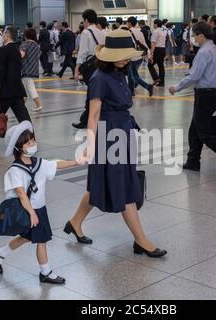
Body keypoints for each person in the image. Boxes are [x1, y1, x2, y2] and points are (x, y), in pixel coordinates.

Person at [66, 29, 167, 258]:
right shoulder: (99, 79)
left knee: (100, 184)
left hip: (122, 129)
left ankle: (75, 222)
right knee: (125, 186)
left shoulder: (120, 72)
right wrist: (90, 145)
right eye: (123, 54)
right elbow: (92, 116)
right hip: (109, 135)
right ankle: (141, 240)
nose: (128, 58)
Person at [0, 120, 81, 284]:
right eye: (29, 142)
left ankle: (0, 253)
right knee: (41, 240)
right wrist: (32, 214)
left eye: (33, 140)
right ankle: (45, 273)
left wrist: (76, 161)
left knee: (26, 237)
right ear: (19, 147)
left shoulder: (39, 163)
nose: (33, 144)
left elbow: (56, 164)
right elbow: (21, 194)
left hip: (39, 209)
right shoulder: (15, 170)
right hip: (28, 210)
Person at [169, 22, 216, 177]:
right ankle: (192, 161)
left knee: (204, 133)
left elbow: (194, 75)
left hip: (205, 95)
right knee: (194, 128)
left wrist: (176, 87)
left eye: (195, 35)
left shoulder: (204, 52)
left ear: (201, 36)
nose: (194, 38)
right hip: (214, 93)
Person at [72, 9, 106, 129]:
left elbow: (83, 52)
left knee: (92, 93)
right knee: (95, 92)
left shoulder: (86, 32)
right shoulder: (102, 32)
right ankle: (87, 118)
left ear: (86, 20)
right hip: (102, 64)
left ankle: (86, 119)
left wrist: (76, 69)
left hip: (91, 67)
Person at [126, 16, 153, 97]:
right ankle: (131, 92)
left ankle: (148, 86)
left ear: (129, 23)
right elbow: (144, 44)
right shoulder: (140, 32)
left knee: (134, 76)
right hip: (139, 57)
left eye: (127, 23)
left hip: (132, 57)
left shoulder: (128, 32)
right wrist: (149, 55)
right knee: (131, 75)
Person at [20, 28, 43, 112]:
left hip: (25, 68)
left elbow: (21, 55)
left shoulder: (25, 44)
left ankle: (38, 104)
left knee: (30, 88)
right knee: (25, 88)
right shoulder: (36, 45)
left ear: (26, 35)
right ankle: (22, 104)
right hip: (33, 68)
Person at [148, 19, 167, 87]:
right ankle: (162, 82)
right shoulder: (164, 31)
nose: (153, 25)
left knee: (150, 65)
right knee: (161, 66)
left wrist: (151, 53)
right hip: (163, 49)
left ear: (156, 24)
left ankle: (156, 78)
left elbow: (153, 43)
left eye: (154, 24)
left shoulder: (155, 32)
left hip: (157, 50)